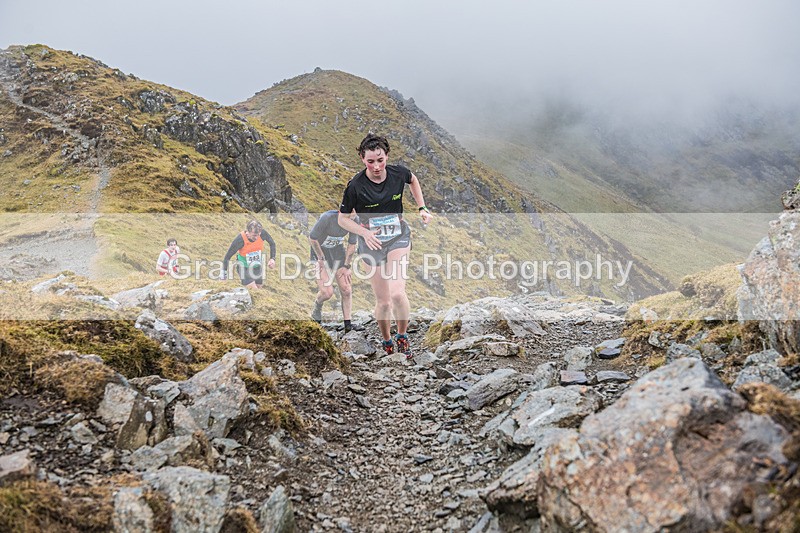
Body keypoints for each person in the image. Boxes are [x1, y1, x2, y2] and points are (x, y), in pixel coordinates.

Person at [337, 133, 433, 357]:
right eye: (371, 161)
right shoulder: (355, 186)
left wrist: (422, 208)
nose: (377, 166)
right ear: (362, 159)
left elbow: (413, 179)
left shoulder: (399, 173)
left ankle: (402, 337)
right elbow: (342, 219)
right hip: (371, 244)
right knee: (384, 302)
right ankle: (387, 341)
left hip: (398, 237)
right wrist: (364, 232)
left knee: (398, 294)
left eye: (380, 160)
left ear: (387, 156)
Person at [309, 209, 360, 331]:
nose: (351, 220)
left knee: (346, 289)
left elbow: (352, 244)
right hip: (320, 251)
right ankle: (317, 305)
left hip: (337, 251)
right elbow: (312, 238)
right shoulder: (327, 218)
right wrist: (320, 258)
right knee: (327, 292)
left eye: (353, 218)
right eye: (348, 218)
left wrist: (347, 266)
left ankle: (348, 324)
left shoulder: (355, 219)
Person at [222, 219, 276, 289]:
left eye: (258, 235)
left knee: (259, 289)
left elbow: (272, 243)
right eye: (254, 235)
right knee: (254, 290)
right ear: (247, 232)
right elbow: (227, 256)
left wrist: (272, 258)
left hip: (257, 266)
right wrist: (224, 275)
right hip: (244, 267)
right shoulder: (240, 240)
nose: (256, 238)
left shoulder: (263, 233)